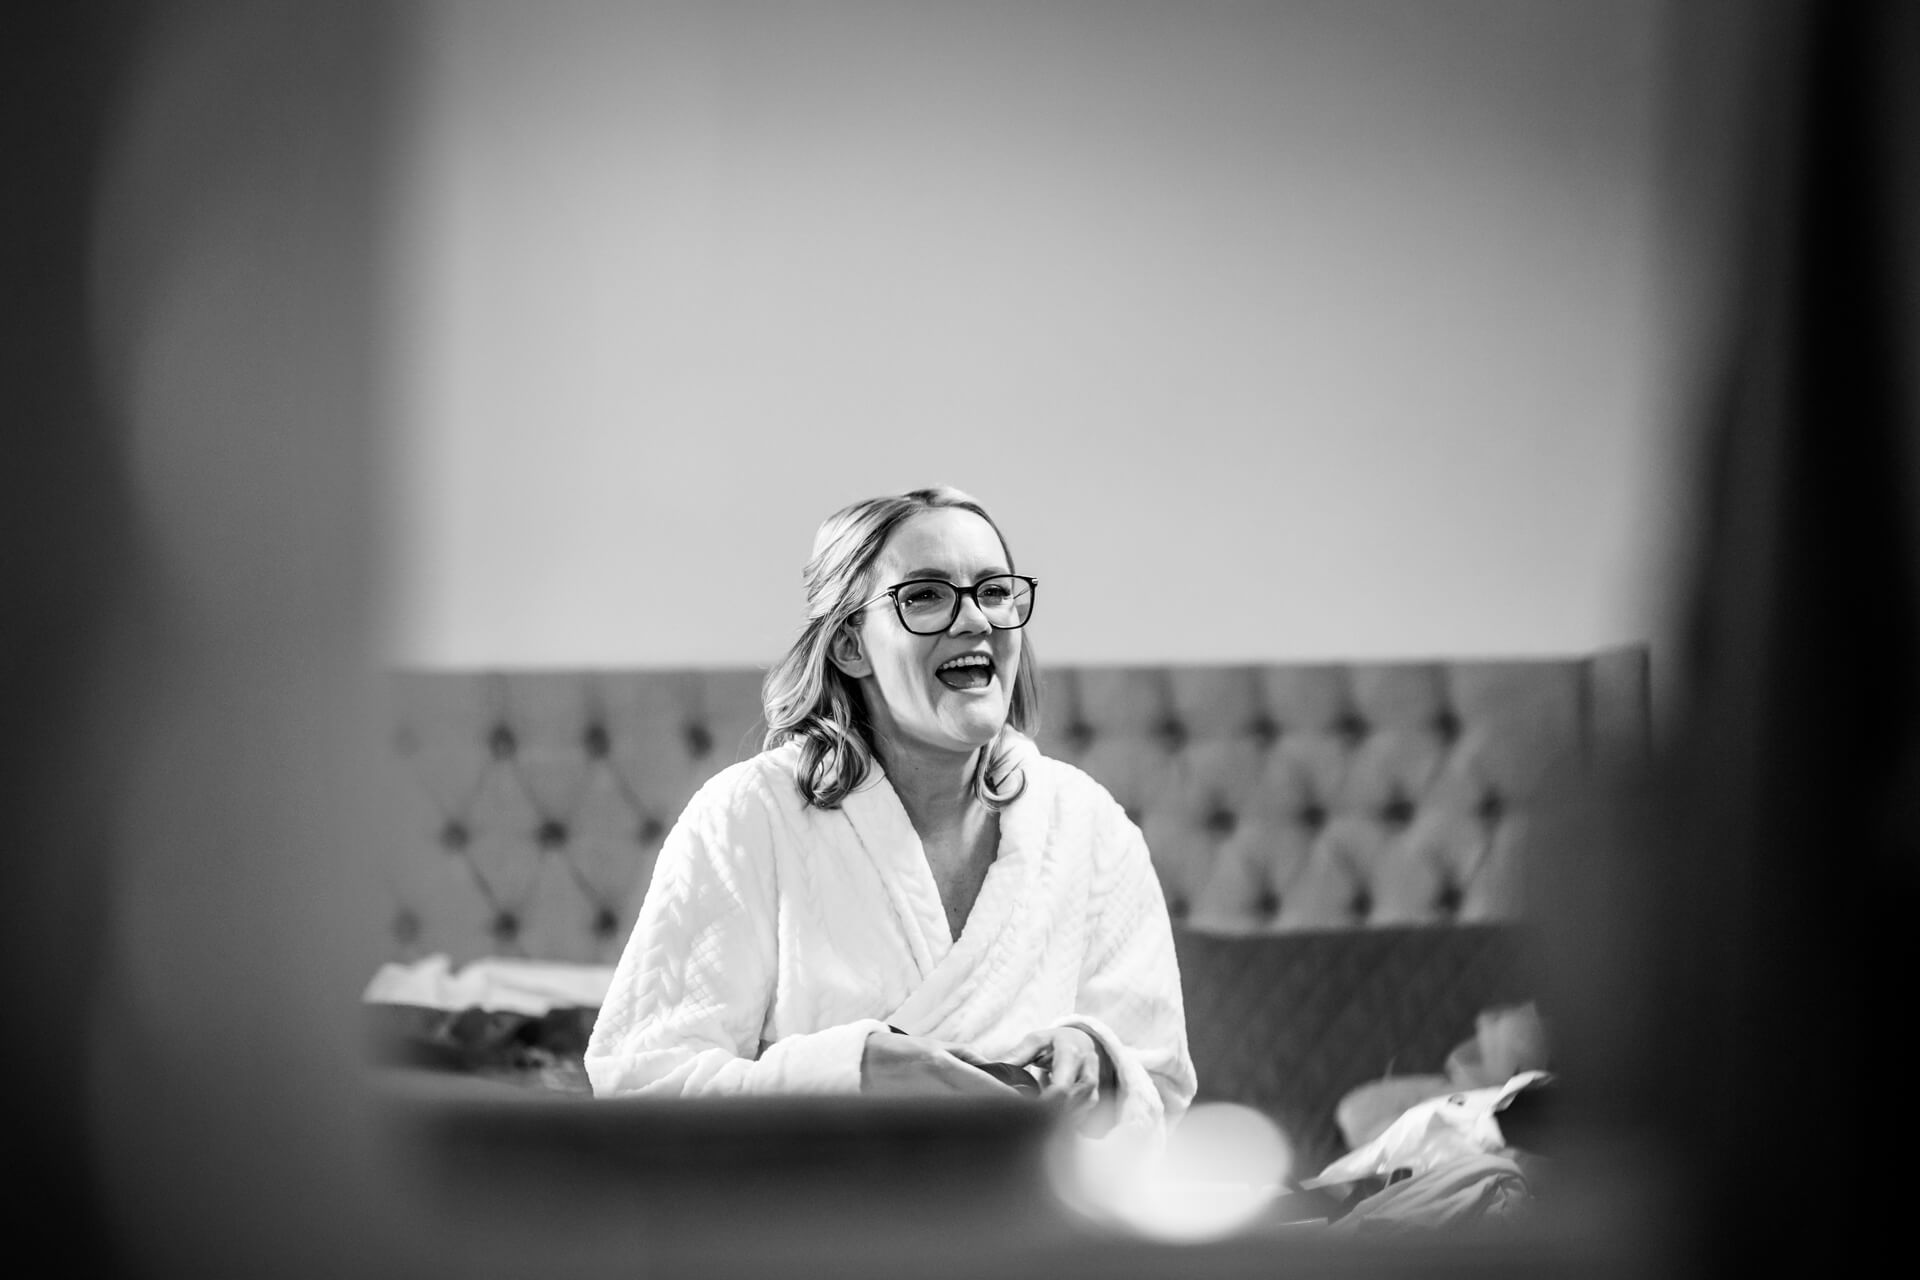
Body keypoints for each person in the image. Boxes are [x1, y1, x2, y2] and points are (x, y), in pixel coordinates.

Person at [585, 486, 1195, 1137]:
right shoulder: (747, 817)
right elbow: (641, 1090)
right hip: (826, 1203)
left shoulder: (1087, 824)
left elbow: (1159, 1081)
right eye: (926, 595)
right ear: (851, 644)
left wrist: (1098, 1061)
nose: (976, 620)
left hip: (1030, 1202)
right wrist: (854, 1073)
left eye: (994, 591)